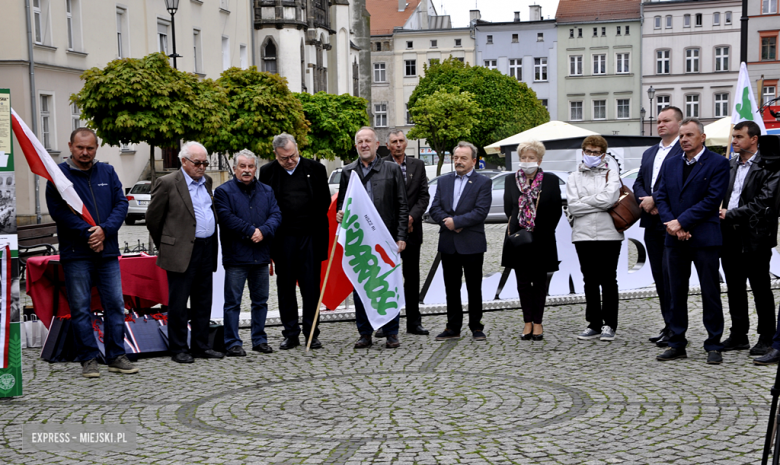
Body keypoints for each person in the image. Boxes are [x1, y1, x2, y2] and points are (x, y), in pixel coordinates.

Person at [46, 128, 137, 378]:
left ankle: (116, 355)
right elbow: (58, 212)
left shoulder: (107, 171)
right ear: (70, 146)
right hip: (76, 253)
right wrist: (89, 233)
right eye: (80, 148)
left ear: (96, 147)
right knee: (81, 308)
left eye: (90, 148)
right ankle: (88, 359)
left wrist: (104, 231)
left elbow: (121, 203)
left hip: (107, 252)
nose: (85, 152)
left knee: (116, 305)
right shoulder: (59, 176)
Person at [655, 118, 730, 365]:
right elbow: (661, 195)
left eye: (689, 135)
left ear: (702, 137)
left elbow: (711, 200)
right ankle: (677, 342)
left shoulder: (719, 163)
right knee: (675, 292)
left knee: (710, 292)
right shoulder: (671, 162)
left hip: (705, 238)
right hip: (675, 238)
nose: (684, 139)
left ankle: (713, 344)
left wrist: (683, 222)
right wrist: (673, 224)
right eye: (682, 136)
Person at [146, 141, 223, 363]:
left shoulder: (206, 182)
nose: (202, 167)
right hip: (181, 250)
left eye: (205, 163)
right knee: (179, 302)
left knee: (203, 300)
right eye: (197, 163)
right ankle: (178, 347)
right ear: (184, 161)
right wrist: (167, 244)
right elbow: (153, 219)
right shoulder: (168, 183)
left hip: (206, 247)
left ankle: (201, 345)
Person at [336, 127, 409, 349]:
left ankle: (392, 332)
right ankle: (365, 333)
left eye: (368, 140)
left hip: (385, 237)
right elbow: (343, 203)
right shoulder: (348, 172)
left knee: (389, 281)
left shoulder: (391, 169)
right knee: (361, 286)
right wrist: (340, 213)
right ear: (356, 146)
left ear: (377, 145)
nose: (364, 144)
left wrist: (401, 236)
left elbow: (402, 205)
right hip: (361, 239)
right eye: (360, 141)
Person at [259, 134, 330, 350]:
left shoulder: (316, 169)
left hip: (310, 237)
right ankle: (290, 333)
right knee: (285, 288)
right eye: (284, 159)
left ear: (297, 149)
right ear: (275, 155)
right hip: (283, 239)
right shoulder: (268, 172)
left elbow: (324, 201)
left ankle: (312, 332)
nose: (289, 161)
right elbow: (265, 205)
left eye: (293, 156)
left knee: (311, 288)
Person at [719, 121, 779, 356]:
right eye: (733, 136)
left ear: (754, 139)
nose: (734, 141)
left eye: (739, 137)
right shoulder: (730, 164)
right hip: (729, 233)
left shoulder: (770, 166)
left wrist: (731, 213)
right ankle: (738, 334)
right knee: (734, 287)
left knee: (760, 288)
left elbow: (764, 201)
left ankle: (766, 337)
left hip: (755, 235)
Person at [214, 149, 281, 356]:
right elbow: (226, 218)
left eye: (250, 166)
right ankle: (232, 341)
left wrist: (264, 231)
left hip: (261, 255)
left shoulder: (267, 191)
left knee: (260, 301)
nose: (246, 170)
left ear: (255, 168)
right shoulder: (223, 192)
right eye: (242, 166)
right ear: (234, 168)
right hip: (236, 256)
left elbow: (276, 215)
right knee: (233, 302)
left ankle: (259, 339)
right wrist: (251, 231)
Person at [429, 141, 492, 342]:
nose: (458, 161)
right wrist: (447, 222)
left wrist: (456, 221)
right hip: (449, 243)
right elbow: (434, 208)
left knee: (474, 287)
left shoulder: (483, 182)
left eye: (463, 158)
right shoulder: (444, 181)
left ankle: (476, 326)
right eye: (456, 157)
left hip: (472, 242)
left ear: (473, 160)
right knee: (451, 287)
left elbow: (481, 211)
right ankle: (453, 326)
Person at [633, 106, 684, 347]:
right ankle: (668, 324)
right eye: (659, 120)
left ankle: (677, 329)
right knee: (659, 277)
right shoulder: (649, 152)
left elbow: (678, 184)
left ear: (679, 124)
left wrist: (656, 199)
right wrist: (645, 199)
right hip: (651, 221)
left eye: (666, 120)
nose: (660, 124)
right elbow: (639, 181)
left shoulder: (682, 151)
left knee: (671, 276)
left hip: (671, 221)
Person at [501, 140, 562, 341]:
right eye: (523, 158)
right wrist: (522, 228)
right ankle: (527, 321)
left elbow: (556, 210)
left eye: (531, 158)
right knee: (523, 283)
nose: (527, 161)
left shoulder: (550, 180)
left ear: (539, 160)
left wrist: (540, 230)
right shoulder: (511, 180)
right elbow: (508, 208)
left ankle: (538, 322)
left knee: (540, 283)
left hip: (542, 239)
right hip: (520, 240)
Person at [568, 135, 623, 342]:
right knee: (589, 279)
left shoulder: (611, 172)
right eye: (589, 151)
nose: (592, 155)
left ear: (603, 154)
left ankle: (610, 324)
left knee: (608, 279)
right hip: (583, 235)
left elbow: (610, 199)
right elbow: (573, 206)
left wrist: (586, 203)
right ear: (583, 152)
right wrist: (598, 203)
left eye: (596, 152)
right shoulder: (574, 176)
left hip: (609, 233)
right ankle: (593, 323)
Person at [381, 130, 431, 336]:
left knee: (411, 278)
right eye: (394, 142)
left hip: (412, 230)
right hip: (386, 232)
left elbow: (423, 197)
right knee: (385, 278)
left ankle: (414, 322)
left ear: (406, 143)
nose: (398, 144)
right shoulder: (380, 165)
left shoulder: (417, 165)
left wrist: (410, 217)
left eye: (401, 141)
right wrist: (397, 222)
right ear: (388, 145)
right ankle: (385, 323)